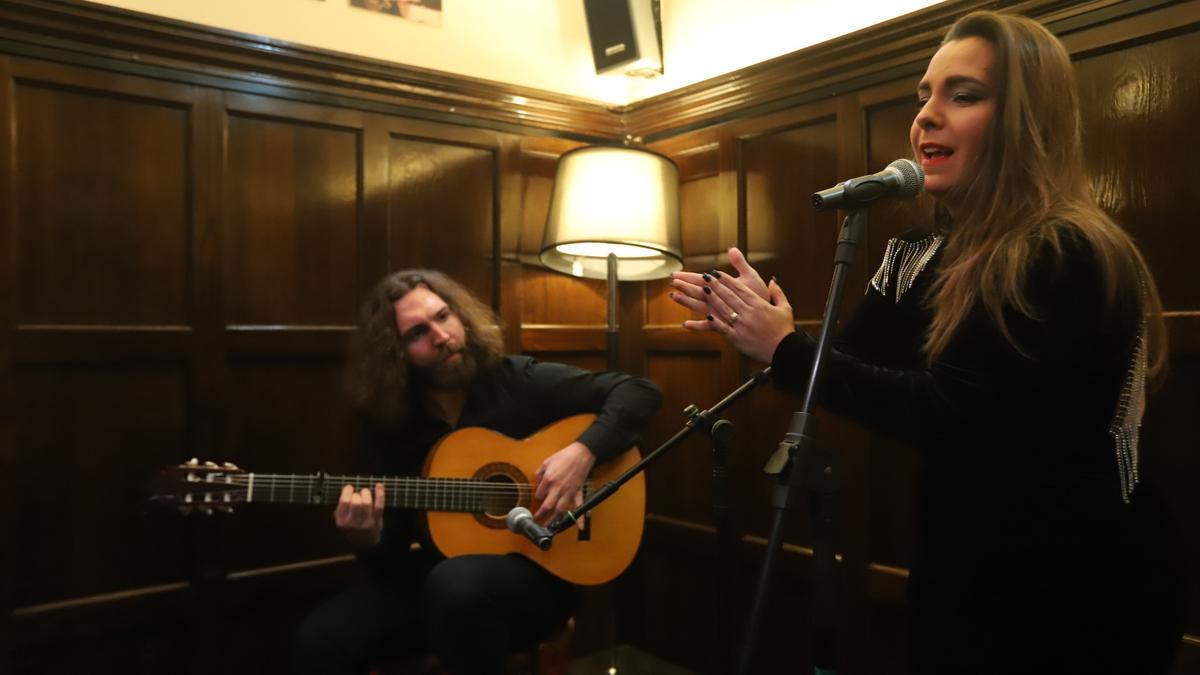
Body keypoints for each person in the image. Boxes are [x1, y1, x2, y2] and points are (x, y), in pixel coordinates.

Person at [670, 11, 1183, 674]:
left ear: (1027, 122)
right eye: (924, 96)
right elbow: (849, 366)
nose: (927, 117)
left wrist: (788, 351)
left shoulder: (1064, 251)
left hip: (1077, 585)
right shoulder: (918, 249)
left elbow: (951, 413)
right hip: (964, 565)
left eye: (962, 95)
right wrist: (774, 328)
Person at [295, 269, 661, 675]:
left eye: (443, 316)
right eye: (417, 333)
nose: (442, 336)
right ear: (394, 353)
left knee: (455, 586)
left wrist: (582, 454)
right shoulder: (392, 425)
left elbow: (639, 393)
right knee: (320, 639)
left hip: (537, 577)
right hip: (437, 583)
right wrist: (368, 538)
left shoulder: (516, 380)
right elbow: (391, 556)